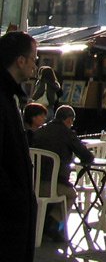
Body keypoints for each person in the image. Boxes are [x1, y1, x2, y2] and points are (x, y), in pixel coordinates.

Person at [32, 105, 94, 241]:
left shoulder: (39, 132)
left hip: (33, 183)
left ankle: (44, 224)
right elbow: (87, 156)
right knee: (71, 194)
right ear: (69, 120)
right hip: (53, 185)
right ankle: (53, 223)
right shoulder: (67, 134)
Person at [1, 31, 37, 260]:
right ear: (20, 60)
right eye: (34, 58)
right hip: (7, 223)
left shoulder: (9, 96)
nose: (35, 65)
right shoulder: (3, 97)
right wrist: (16, 200)